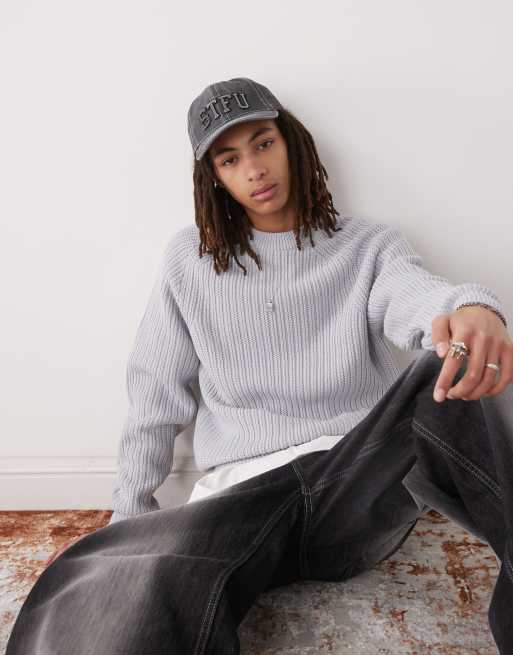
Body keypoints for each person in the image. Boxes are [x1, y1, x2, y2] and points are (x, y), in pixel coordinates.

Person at [7, 77, 513, 654]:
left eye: (264, 143)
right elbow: (154, 397)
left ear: (291, 142)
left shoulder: (368, 246)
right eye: (230, 159)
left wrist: (471, 309)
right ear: (213, 178)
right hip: (243, 496)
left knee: (462, 367)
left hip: (352, 485)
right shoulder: (189, 263)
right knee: (106, 581)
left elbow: (421, 300)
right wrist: (127, 522)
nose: (254, 169)